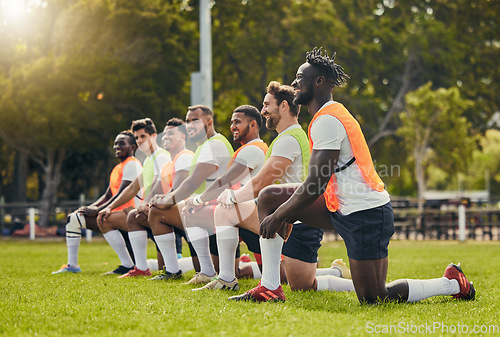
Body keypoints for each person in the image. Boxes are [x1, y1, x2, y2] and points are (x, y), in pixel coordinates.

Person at [243, 47, 475, 303]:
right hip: (340, 205)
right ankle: (271, 287)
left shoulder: (327, 120)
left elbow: (315, 184)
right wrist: (280, 212)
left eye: (300, 77)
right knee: (269, 197)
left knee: (375, 297)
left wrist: (280, 216)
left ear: (319, 82)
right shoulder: (324, 116)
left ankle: (451, 282)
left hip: (366, 213)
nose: (294, 83)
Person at [212, 81, 353, 296]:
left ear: (284, 106)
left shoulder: (288, 140)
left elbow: (263, 182)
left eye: (267, 105)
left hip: (296, 221)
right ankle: (227, 278)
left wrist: (233, 196)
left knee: (303, 284)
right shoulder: (288, 137)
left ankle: (348, 279)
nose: (263, 111)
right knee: (225, 211)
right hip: (286, 217)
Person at [181, 105, 268, 290]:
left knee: (294, 278)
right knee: (201, 212)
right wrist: (201, 201)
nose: (232, 126)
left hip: (258, 217)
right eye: (231, 122)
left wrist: (198, 200)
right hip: (247, 214)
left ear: (253, 124)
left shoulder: (253, 149)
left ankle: (334, 273)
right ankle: (222, 277)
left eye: (238, 122)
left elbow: (225, 181)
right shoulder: (246, 149)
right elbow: (230, 188)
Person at [148, 105, 234, 283]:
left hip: (222, 209)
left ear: (209, 122)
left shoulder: (214, 144)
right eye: (187, 121)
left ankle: (181, 270)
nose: (189, 125)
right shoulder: (205, 146)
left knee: (160, 212)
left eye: (195, 120)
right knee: (179, 208)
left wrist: (167, 201)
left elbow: (192, 182)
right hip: (208, 206)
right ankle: (203, 271)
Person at [52, 131, 142, 274]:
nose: (117, 146)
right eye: (115, 143)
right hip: (115, 213)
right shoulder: (118, 167)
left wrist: (98, 210)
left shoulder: (132, 164)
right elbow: (107, 195)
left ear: (132, 146)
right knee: (74, 218)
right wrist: (91, 207)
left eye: (121, 143)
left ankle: (127, 265)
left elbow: (121, 194)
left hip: (129, 216)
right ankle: (72, 266)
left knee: (84, 219)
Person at [97, 118, 171, 277]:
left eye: (143, 136)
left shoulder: (161, 156)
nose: (139, 141)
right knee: (112, 217)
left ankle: (141, 267)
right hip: (151, 212)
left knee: (169, 267)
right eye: (136, 138)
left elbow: (161, 183)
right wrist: (109, 207)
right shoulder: (149, 160)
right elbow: (132, 188)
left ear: (153, 136)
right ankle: (138, 267)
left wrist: (143, 204)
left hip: (165, 213)